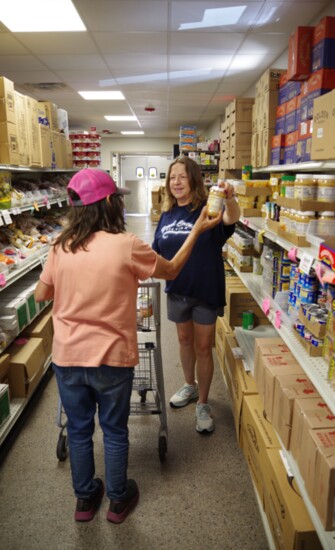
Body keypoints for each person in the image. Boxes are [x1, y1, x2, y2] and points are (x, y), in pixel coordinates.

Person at [34, 168, 221, 524]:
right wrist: (197, 230)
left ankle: (85, 500)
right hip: (112, 356)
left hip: (68, 356)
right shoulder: (126, 245)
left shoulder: (60, 246)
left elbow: (43, 293)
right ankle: (118, 501)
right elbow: (171, 271)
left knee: (78, 429)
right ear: (109, 203)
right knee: (115, 430)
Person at [152, 156, 240, 434]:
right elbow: (156, 250)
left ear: (194, 180)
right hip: (177, 290)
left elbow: (231, 218)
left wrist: (231, 198)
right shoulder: (166, 214)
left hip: (205, 290)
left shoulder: (208, 210)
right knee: (183, 339)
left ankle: (203, 402)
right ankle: (189, 385)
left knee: (204, 347)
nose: (176, 182)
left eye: (182, 176)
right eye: (172, 177)